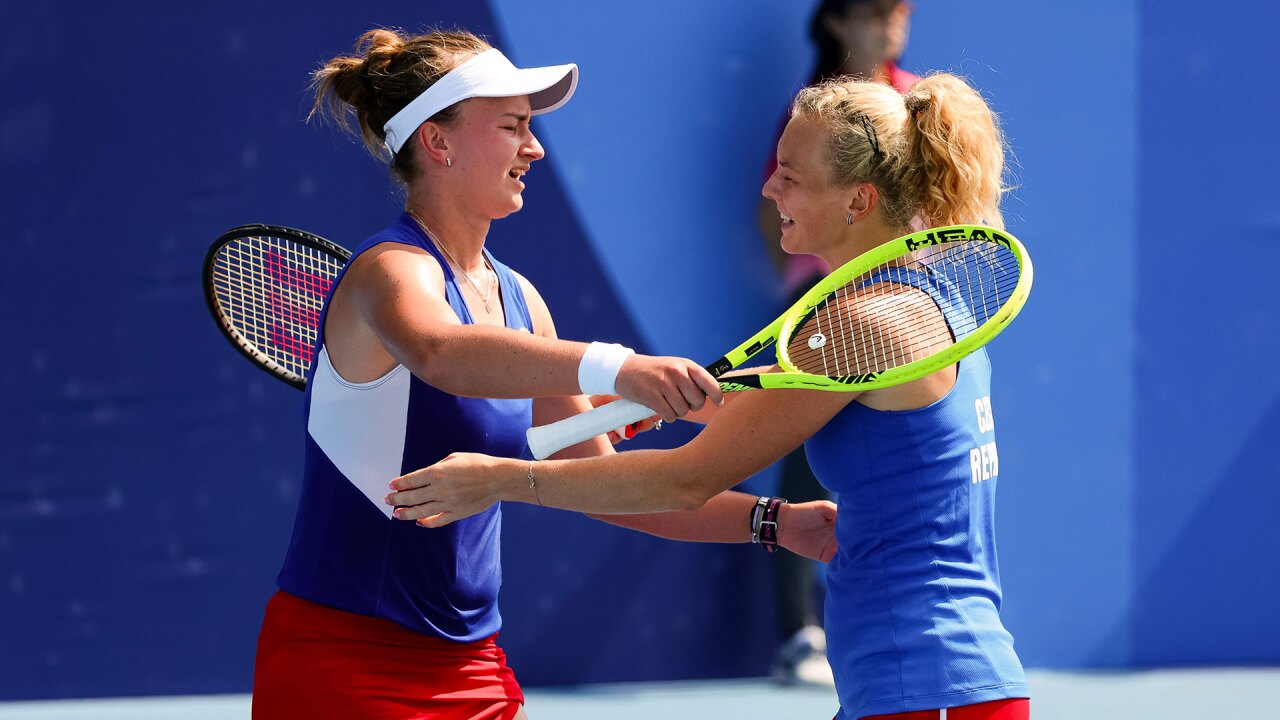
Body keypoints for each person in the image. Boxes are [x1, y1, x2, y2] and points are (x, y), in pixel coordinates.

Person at [389, 72, 1031, 720]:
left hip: (926, 688)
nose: (769, 188)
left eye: (790, 175)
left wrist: (499, 480)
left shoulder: (862, 323)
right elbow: (787, 415)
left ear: (857, 202)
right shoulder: (918, 300)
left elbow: (683, 481)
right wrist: (679, 398)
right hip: (933, 683)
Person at [251, 27, 837, 720]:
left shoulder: (521, 302)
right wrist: (618, 368)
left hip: (473, 665)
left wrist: (777, 523)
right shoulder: (390, 271)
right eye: (512, 126)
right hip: (341, 660)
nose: (534, 148)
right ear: (437, 142)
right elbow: (441, 352)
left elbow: (607, 489)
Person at [757, 0, 922, 686]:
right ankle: (800, 631)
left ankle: (892, 618)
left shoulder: (917, 102)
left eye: (898, 7)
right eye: (874, 9)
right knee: (803, 462)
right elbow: (773, 218)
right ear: (835, 20)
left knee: (896, 459)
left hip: (902, 303)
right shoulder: (809, 116)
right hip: (820, 302)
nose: (892, 19)